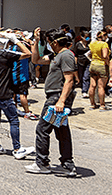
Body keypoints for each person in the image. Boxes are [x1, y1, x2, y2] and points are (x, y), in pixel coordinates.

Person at [26, 28, 77, 176]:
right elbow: (36, 60)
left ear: (55, 42)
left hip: (56, 98)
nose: (47, 45)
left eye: (48, 42)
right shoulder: (56, 55)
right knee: (62, 131)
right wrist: (35, 41)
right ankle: (67, 164)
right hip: (55, 97)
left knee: (42, 129)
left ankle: (42, 163)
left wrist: (61, 101)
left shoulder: (66, 55)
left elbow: (69, 80)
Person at [0, 33, 35, 159]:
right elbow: (28, 53)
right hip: (4, 93)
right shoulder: (5, 54)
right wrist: (16, 41)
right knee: (13, 120)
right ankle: (17, 148)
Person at [88, 30, 110, 110]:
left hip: (93, 65)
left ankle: (92, 104)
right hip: (101, 65)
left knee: (92, 85)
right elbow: (105, 55)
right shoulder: (104, 44)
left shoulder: (92, 43)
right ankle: (102, 105)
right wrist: (108, 63)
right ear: (105, 36)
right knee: (101, 87)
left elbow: (89, 54)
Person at [71, 30, 91, 98]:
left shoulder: (90, 44)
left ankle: (84, 90)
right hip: (80, 62)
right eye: (86, 37)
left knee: (86, 76)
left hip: (88, 62)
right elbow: (75, 54)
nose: (88, 38)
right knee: (80, 76)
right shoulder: (78, 44)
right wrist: (75, 63)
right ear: (82, 37)